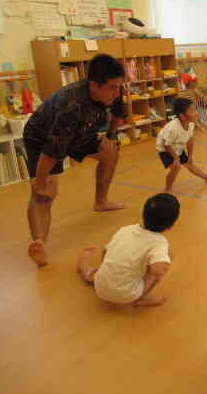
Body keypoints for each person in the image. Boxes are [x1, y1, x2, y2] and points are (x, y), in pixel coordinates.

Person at [23, 54, 127, 267]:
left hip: (80, 132)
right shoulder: (71, 104)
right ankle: (39, 246)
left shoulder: (113, 87)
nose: (117, 92)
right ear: (93, 85)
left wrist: (110, 136)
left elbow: (118, 113)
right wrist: (40, 183)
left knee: (111, 154)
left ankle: (101, 202)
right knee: (45, 194)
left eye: (119, 87)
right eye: (112, 88)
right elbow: (51, 152)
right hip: (42, 137)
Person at [77, 193, 179, 307]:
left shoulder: (126, 229)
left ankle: (84, 267)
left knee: (97, 274)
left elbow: (105, 252)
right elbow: (158, 271)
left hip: (100, 287)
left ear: (144, 214)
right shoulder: (159, 243)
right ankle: (142, 298)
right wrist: (165, 261)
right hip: (127, 295)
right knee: (164, 261)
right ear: (171, 225)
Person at [156, 97, 207, 193]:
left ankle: (206, 177)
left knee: (189, 164)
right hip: (165, 149)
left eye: (195, 110)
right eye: (192, 111)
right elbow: (166, 145)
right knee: (176, 167)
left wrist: (190, 155)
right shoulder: (173, 128)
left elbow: (190, 141)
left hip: (177, 146)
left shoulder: (191, 124)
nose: (196, 113)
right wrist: (176, 158)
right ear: (182, 116)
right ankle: (167, 189)